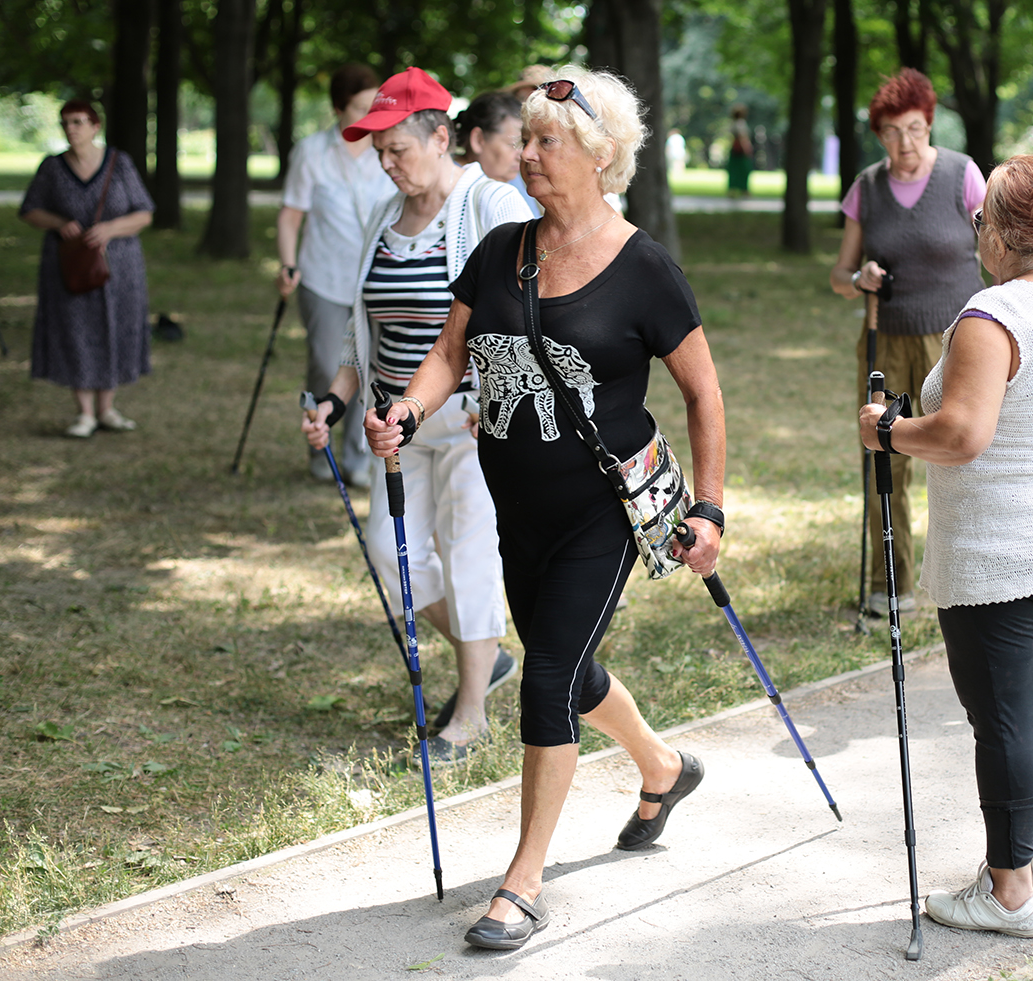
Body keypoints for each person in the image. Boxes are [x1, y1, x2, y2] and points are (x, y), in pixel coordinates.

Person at [365, 66, 725, 950]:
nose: (526, 155)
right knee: (567, 669)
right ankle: (665, 767)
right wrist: (409, 408)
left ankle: (521, 884)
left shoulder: (645, 269)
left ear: (600, 157)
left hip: (602, 511)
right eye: (523, 139)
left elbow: (704, 395)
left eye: (545, 141)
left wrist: (709, 509)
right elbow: (453, 353)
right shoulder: (501, 252)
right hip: (512, 507)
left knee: (548, 676)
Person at [860, 155, 1033, 937]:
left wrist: (888, 430)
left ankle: (1008, 890)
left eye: (980, 220)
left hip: (1004, 552)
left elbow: (961, 435)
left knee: (1005, 720)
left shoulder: (994, 314)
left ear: (1008, 234)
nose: (972, 230)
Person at [303, 67, 530, 761]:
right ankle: (481, 651)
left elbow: (533, 309)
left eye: (396, 148)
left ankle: (468, 720)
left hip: (470, 420)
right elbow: (357, 333)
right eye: (378, 152)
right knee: (391, 558)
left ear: (441, 137)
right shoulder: (383, 216)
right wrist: (336, 400)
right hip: (392, 426)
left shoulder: (490, 204)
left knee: (468, 558)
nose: (386, 163)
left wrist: (501, 394)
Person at [829, 68, 986, 617]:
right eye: (893, 132)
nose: (906, 143)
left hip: (956, 343)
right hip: (887, 341)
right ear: (879, 135)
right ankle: (889, 584)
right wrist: (858, 279)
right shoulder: (867, 188)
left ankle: (972, 577)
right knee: (884, 458)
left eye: (916, 129)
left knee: (963, 455)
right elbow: (839, 274)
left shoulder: (963, 176)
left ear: (930, 125)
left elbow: (997, 250)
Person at [278, 64, 389, 487]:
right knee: (327, 367)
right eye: (361, 106)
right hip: (323, 277)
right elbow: (290, 216)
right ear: (339, 107)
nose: (369, 114)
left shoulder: (386, 148)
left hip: (374, 280)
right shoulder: (312, 151)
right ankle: (319, 447)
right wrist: (288, 264)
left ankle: (358, 457)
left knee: (371, 369)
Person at [19, 99, 154, 438]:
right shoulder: (52, 168)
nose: (72, 129)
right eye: (66, 123)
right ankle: (84, 412)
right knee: (74, 330)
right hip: (70, 264)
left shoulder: (119, 163)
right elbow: (30, 210)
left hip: (119, 266)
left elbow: (144, 212)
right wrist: (59, 222)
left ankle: (107, 408)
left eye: (79, 122)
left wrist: (111, 229)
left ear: (96, 126)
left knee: (115, 327)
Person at [455, 88, 536, 214]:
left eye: (523, 143)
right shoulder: (446, 183)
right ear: (478, 139)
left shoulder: (511, 178)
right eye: (512, 144)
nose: (522, 155)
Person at [726, 105, 753, 198]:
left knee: (734, 170)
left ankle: (733, 189)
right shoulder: (740, 124)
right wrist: (747, 148)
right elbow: (742, 138)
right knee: (743, 169)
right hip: (739, 151)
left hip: (734, 150)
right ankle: (743, 190)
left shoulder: (733, 123)